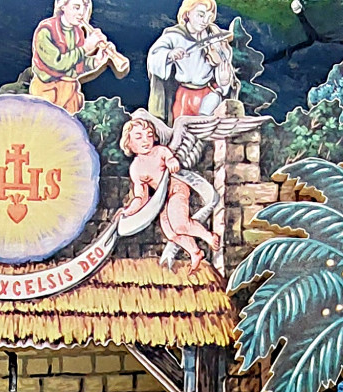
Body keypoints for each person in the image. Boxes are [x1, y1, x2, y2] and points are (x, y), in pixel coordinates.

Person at [120, 113, 221, 273]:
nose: (145, 140)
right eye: (138, 137)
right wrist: (130, 210)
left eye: (149, 135)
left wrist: (172, 161)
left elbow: (170, 159)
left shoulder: (160, 151)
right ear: (129, 143)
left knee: (180, 224)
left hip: (176, 189)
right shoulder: (136, 168)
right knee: (170, 231)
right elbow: (141, 196)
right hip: (162, 199)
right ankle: (195, 252)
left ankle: (208, 236)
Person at [26, 0, 127, 114]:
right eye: (76, 7)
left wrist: (96, 61)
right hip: (47, 91)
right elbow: (57, 64)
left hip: (70, 92)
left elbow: (76, 67)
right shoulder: (46, 30)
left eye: (85, 8)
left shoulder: (78, 33)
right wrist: (86, 48)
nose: (81, 13)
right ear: (63, 6)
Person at [146, 0, 236, 121]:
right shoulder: (174, 36)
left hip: (208, 96)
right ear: (187, 13)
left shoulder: (213, 36)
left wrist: (224, 82)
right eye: (201, 15)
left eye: (209, 17)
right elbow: (154, 56)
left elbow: (224, 63)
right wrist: (169, 54)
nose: (205, 21)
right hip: (184, 95)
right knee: (181, 127)